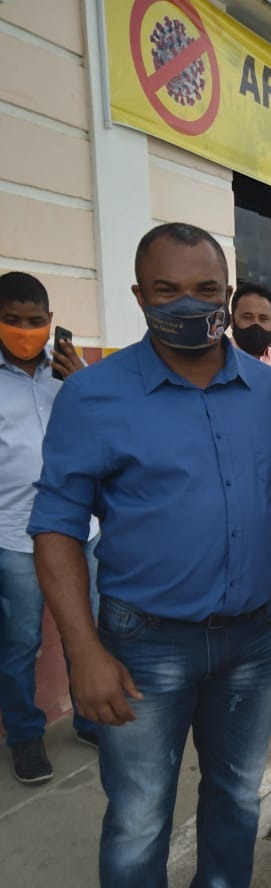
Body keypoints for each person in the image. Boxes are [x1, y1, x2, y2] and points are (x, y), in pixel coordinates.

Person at [28, 223, 271, 888]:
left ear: (227, 294)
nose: (190, 305)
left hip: (251, 641)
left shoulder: (266, 392)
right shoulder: (94, 395)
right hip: (142, 645)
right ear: (139, 296)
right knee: (138, 820)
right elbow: (55, 526)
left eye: (206, 290)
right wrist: (84, 652)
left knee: (235, 796)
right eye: (167, 290)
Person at [0, 271, 99, 785]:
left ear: (50, 321)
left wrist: (82, 384)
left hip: (79, 529)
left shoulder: (72, 374)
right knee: (20, 642)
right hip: (14, 535)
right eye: (12, 320)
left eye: (34, 320)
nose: (25, 330)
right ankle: (24, 735)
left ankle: (89, 718)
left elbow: (104, 437)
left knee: (86, 630)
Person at [230, 282, 271, 398]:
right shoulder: (216, 362)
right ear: (232, 321)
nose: (256, 324)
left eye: (263, 318)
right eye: (247, 317)